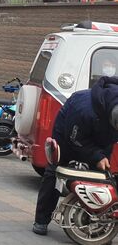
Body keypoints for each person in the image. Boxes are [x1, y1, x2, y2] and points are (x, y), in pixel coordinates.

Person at [33, 76, 118, 236]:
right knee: (55, 174)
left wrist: (100, 156)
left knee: (102, 177)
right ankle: (41, 220)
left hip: (102, 136)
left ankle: (99, 222)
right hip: (68, 134)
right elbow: (75, 138)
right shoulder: (84, 108)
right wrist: (96, 156)